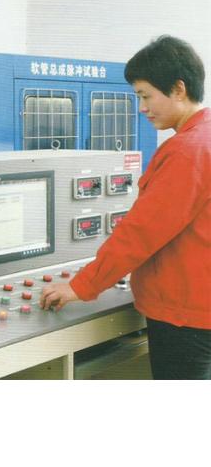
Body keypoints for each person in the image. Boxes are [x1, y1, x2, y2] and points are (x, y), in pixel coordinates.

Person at [40, 35, 211, 379]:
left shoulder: (187, 150)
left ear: (179, 89)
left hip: (185, 316)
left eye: (146, 96)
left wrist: (81, 285)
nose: (142, 108)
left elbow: (141, 233)